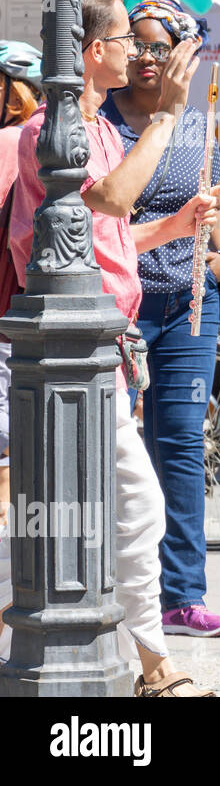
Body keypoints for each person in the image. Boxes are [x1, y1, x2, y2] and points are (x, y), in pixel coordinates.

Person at [6, 0, 220, 693]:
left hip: (101, 349)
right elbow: (108, 197)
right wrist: (166, 119)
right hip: (67, 353)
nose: (138, 52)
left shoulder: (96, 128)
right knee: (77, 507)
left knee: (109, 506)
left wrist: (177, 224)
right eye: (128, 41)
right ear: (95, 50)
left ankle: (147, 659)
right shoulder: (55, 130)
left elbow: (110, 233)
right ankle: (148, 662)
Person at [100, 0, 220, 638]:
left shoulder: (198, 123)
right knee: (115, 453)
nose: (148, 58)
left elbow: (219, 217)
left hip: (187, 309)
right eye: (138, 43)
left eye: (162, 46)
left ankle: (183, 596)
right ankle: (116, 588)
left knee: (181, 448)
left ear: (186, 49)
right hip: (118, 308)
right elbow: (104, 220)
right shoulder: (98, 124)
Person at [0, 41, 44, 636]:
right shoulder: (37, 139)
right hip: (26, 327)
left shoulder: (11, 142)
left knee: (8, 480)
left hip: (6, 329)